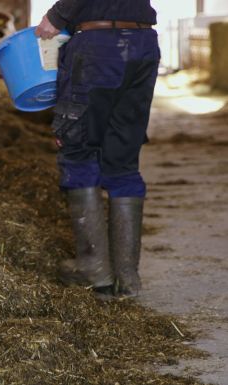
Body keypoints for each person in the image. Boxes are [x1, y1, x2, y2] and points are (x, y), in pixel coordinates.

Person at [35, 1, 160, 297]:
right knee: (123, 157)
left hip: (100, 46)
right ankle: (127, 275)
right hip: (143, 44)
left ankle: (94, 267)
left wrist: (57, 15)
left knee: (77, 149)